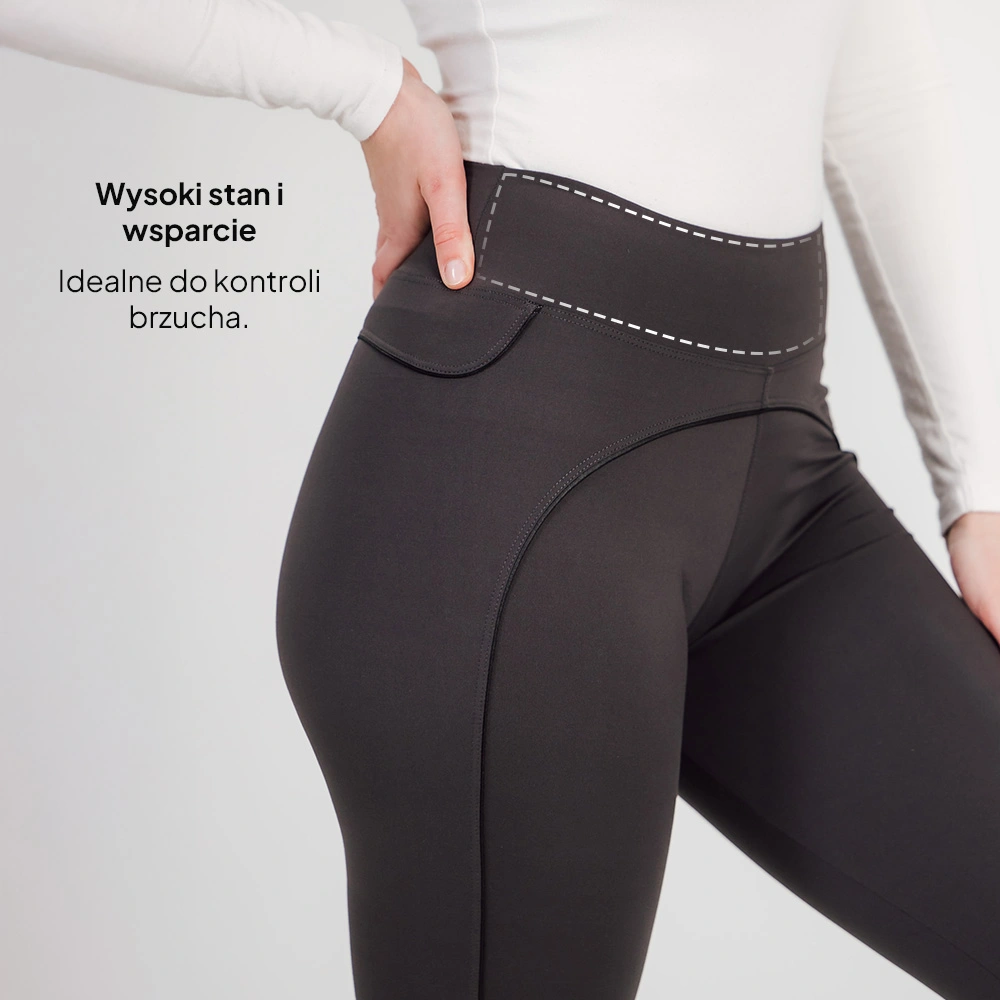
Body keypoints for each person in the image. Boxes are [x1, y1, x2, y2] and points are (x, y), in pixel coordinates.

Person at [4, 1, 1000, 998]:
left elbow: (872, 48)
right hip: (505, 486)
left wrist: (977, 484)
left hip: (785, 479)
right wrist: (364, 89)